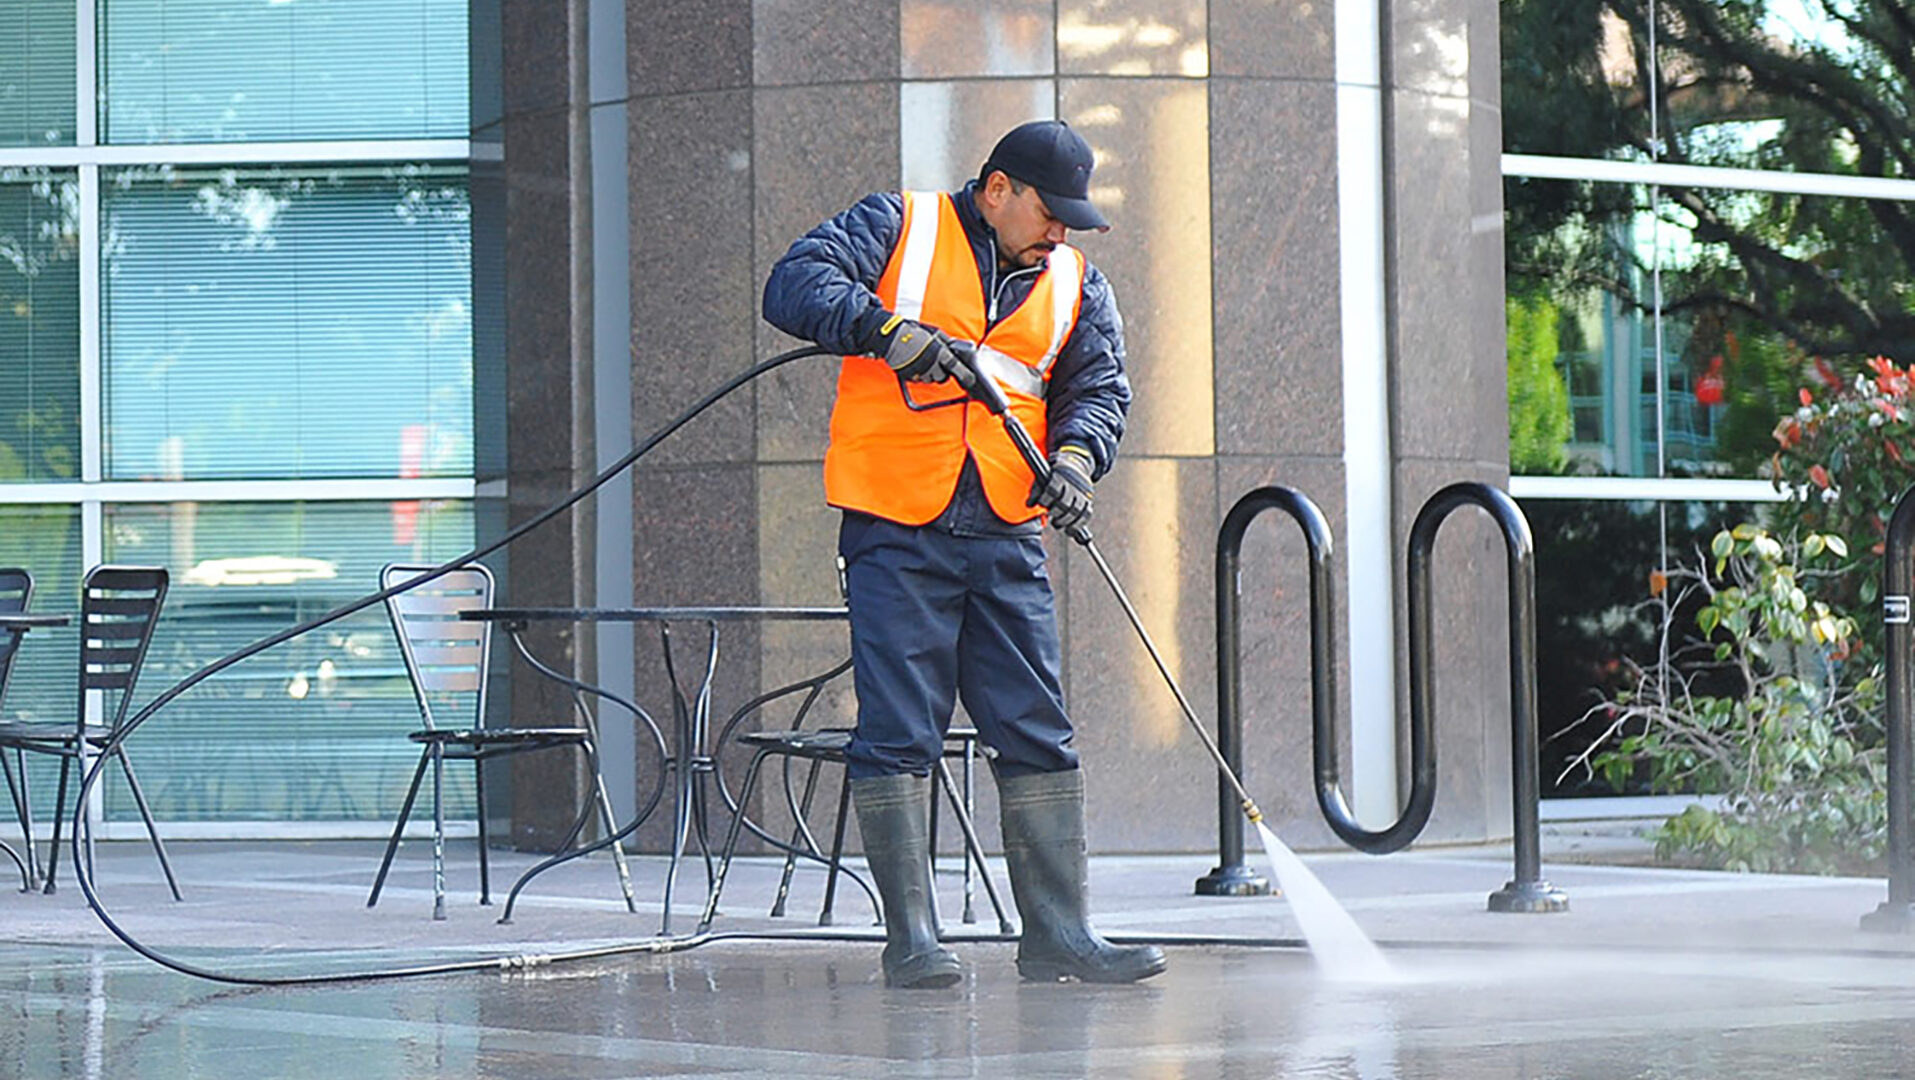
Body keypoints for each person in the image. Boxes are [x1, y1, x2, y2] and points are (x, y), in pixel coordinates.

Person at [762, 119, 1166, 988]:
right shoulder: (897, 226)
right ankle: (912, 941)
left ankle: (1058, 935)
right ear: (997, 189)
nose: (1058, 233)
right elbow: (793, 284)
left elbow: (1097, 387)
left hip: (1006, 528)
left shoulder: (1075, 283)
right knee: (899, 731)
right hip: (895, 524)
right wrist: (881, 329)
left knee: (1035, 729)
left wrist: (1074, 462)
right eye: (1048, 213)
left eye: (1070, 220)